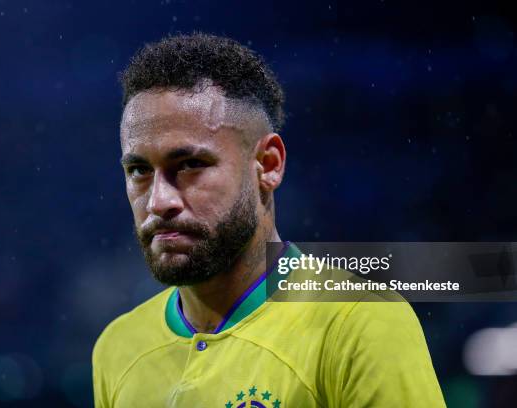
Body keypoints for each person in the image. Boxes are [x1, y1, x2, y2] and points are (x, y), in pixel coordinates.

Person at [93, 32, 446, 407]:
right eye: (139, 170)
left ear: (268, 165)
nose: (159, 201)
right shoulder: (116, 348)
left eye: (191, 165)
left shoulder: (360, 325)